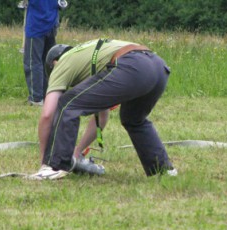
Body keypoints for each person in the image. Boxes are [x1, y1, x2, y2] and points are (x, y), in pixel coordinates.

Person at [31, 38, 177, 180]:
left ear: (53, 63)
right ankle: (162, 169)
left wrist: (45, 163)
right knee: (133, 119)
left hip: (133, 65)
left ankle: (54, 167)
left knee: (68, 103)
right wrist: (76, 153)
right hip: (158, 66)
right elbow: (102, 117)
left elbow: (47, 114)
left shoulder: (62, 63)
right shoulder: (86, 56)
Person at [22, 0, 66, 106]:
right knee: (48, 62)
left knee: (33, 62)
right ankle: (49, 96)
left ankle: (36, 98)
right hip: (51, 23)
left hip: (36, 24)